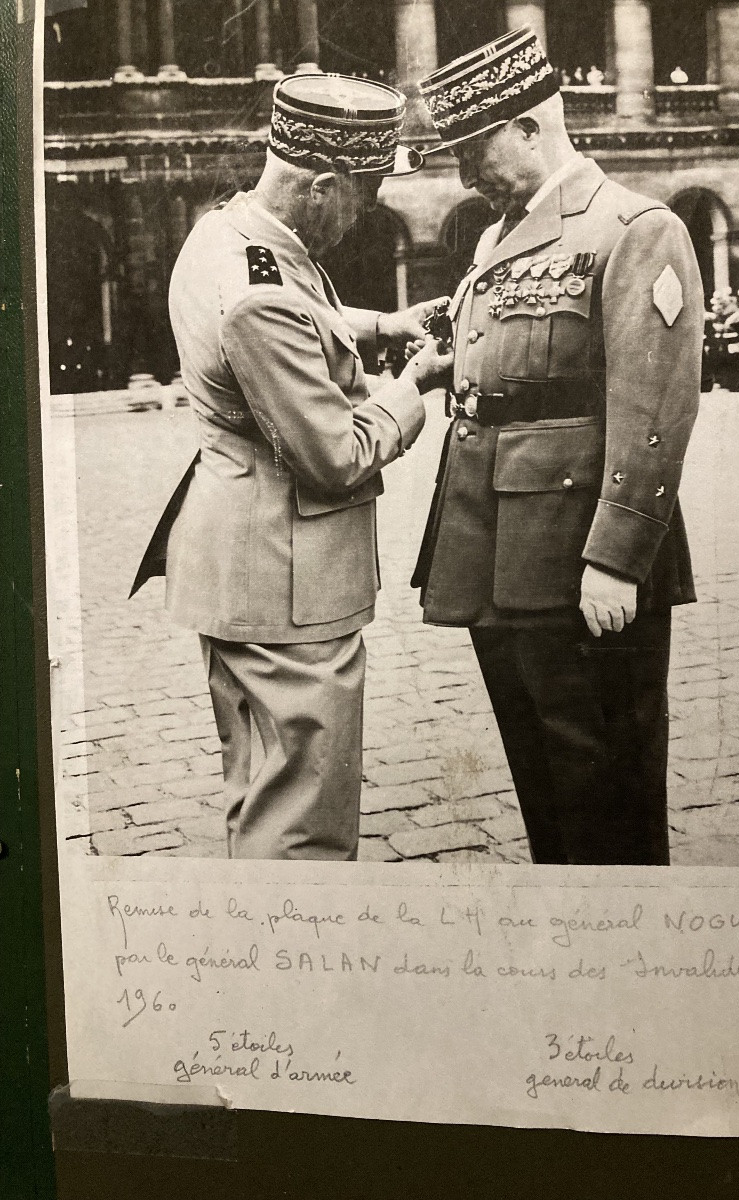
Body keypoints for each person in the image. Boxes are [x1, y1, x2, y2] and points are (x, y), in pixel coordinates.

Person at [130, 73, 452, 860]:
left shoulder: (229, 233)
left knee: (260, 791)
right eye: (363, 195)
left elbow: (300, 310)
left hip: (243, 569)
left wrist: (385, 323)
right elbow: (336, 457)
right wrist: (412, 391)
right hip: (288, 584)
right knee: (303, 821)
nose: (363, 213)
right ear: (323, 185)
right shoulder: (258, 292)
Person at [412, 28, 704, 865]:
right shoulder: (494, 238)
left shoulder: (634, 227)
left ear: (533, 127)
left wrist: (617, 556)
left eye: (475, 151)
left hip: (577, 553)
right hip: (496, 551)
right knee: (542, 772)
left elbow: (656, 406)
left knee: (603, 773)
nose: (464, 175)